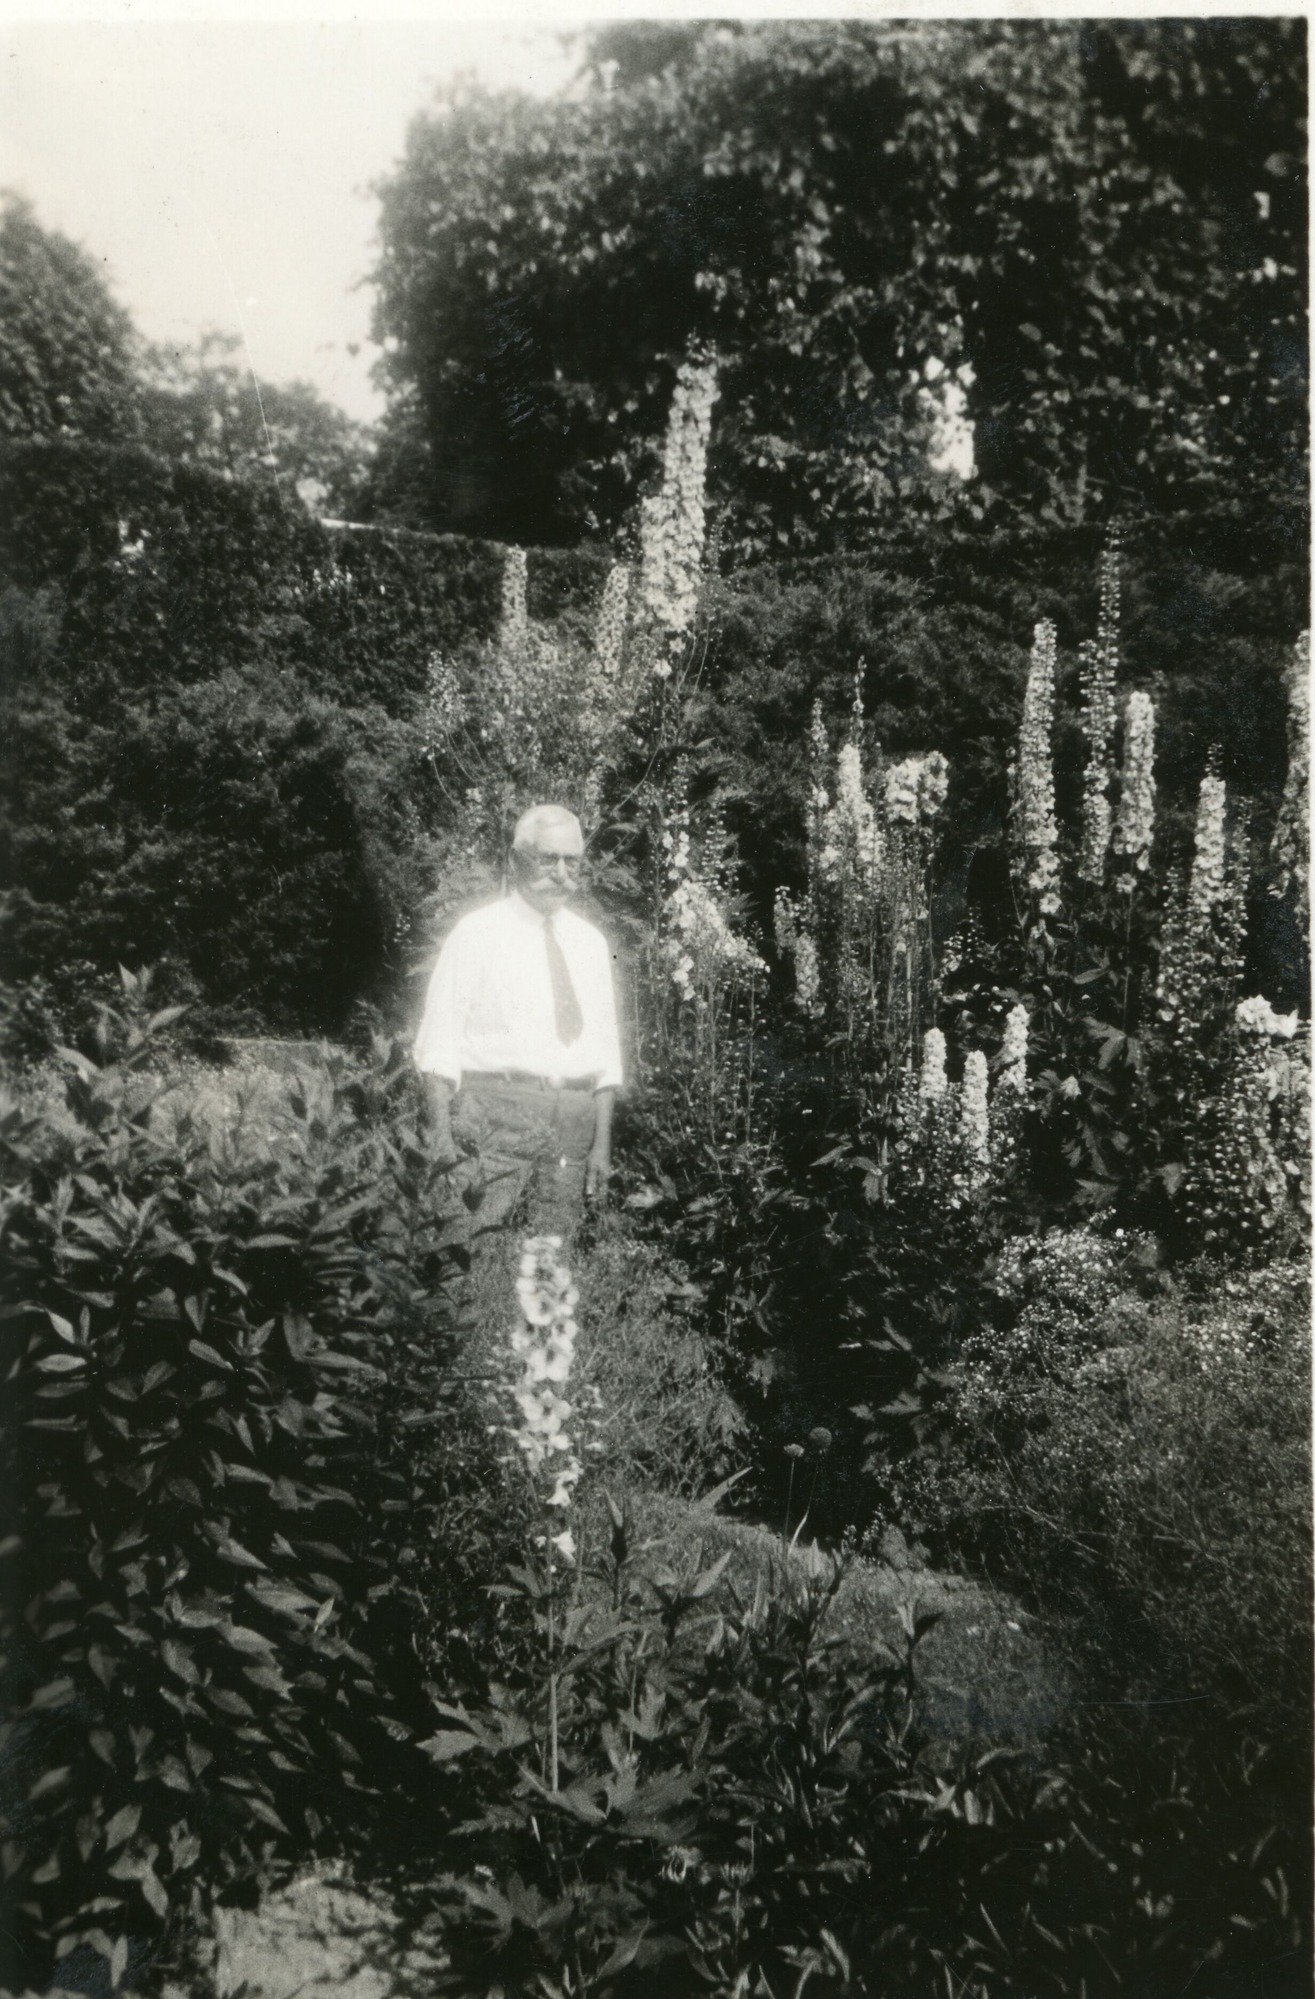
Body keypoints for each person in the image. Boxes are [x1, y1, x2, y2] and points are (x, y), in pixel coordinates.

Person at [414, 804, 623, 1245]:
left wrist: (601, 1147)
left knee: (548, 1277)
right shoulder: (477, 933)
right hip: (494, 1122)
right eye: (549, 859)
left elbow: (605, 1056)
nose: (562, 872)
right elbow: (438, 1046)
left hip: (571, 1128)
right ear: (515, 860)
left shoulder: (591, 944)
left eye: (573, 861)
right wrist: (442, 1144)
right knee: (473, 1256)